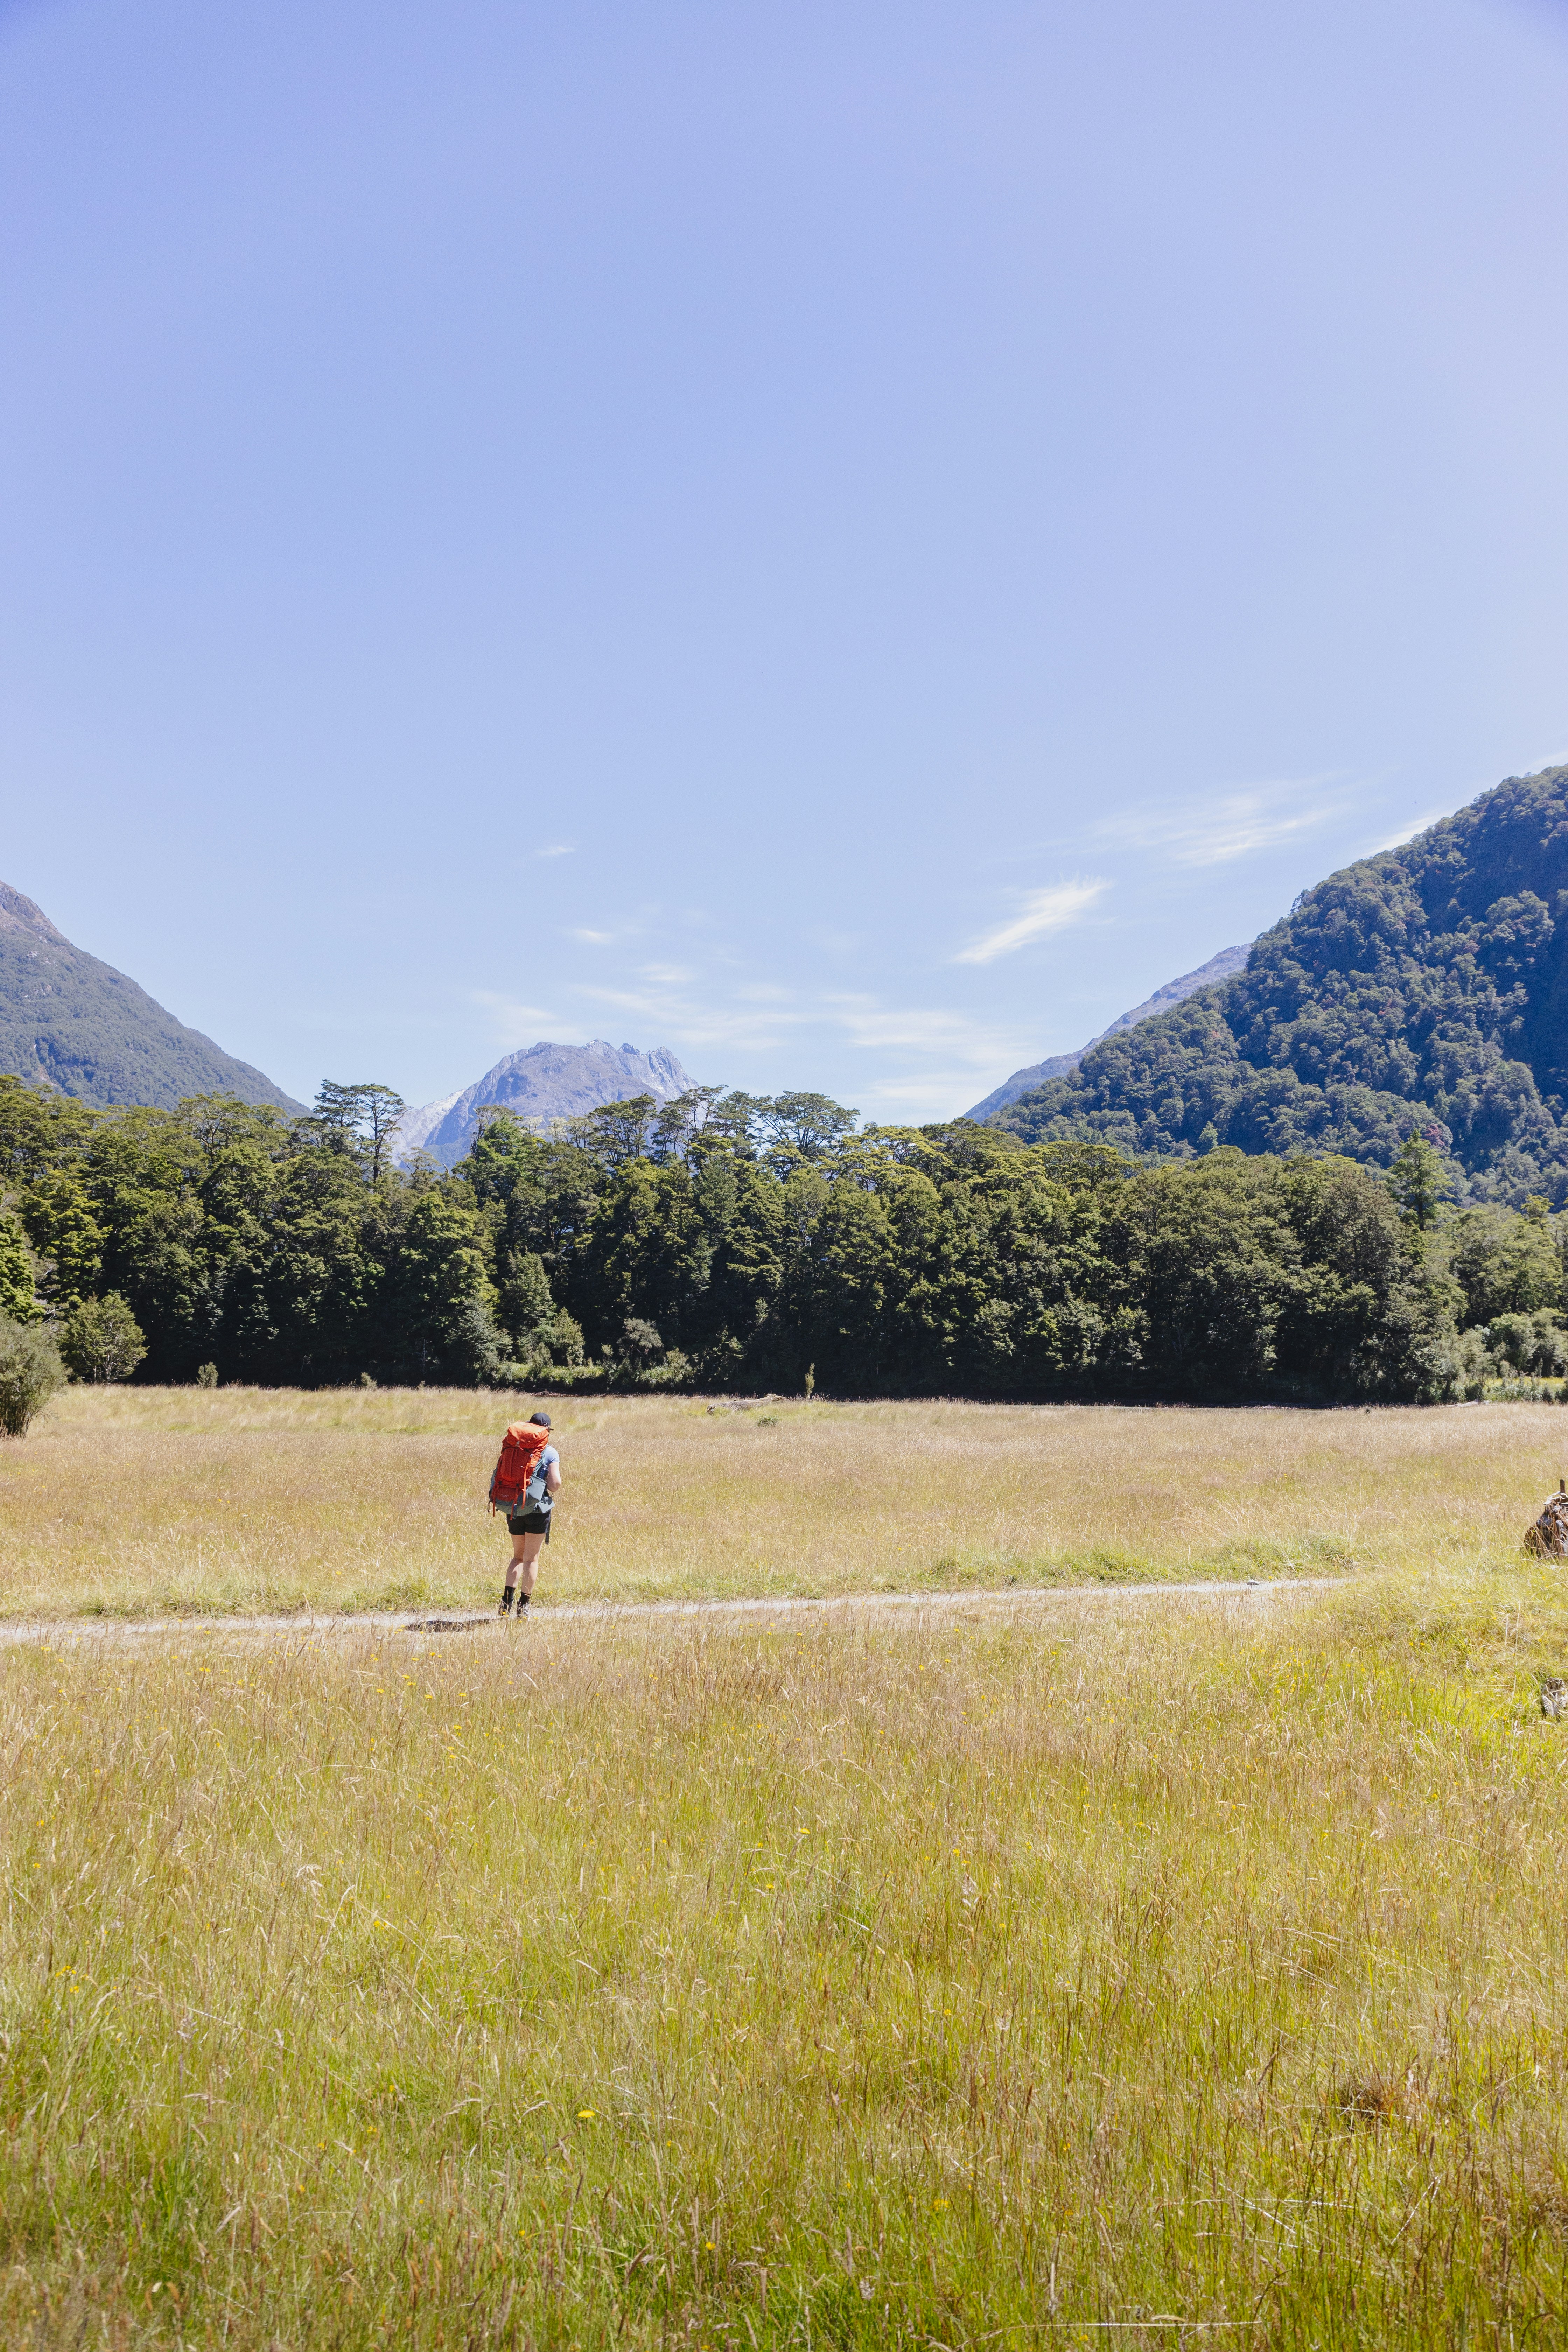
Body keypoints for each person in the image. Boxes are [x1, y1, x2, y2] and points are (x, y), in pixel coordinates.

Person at [498, 1411, 562, 1616]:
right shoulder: (550, 1452)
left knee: (517, 1557)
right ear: (547, 1431)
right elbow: (556, 1484)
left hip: (513, 1507)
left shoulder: (513, 1447)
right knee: (531, 1559)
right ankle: (523, 1607)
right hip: (537, 1510)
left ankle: (506, 1604)